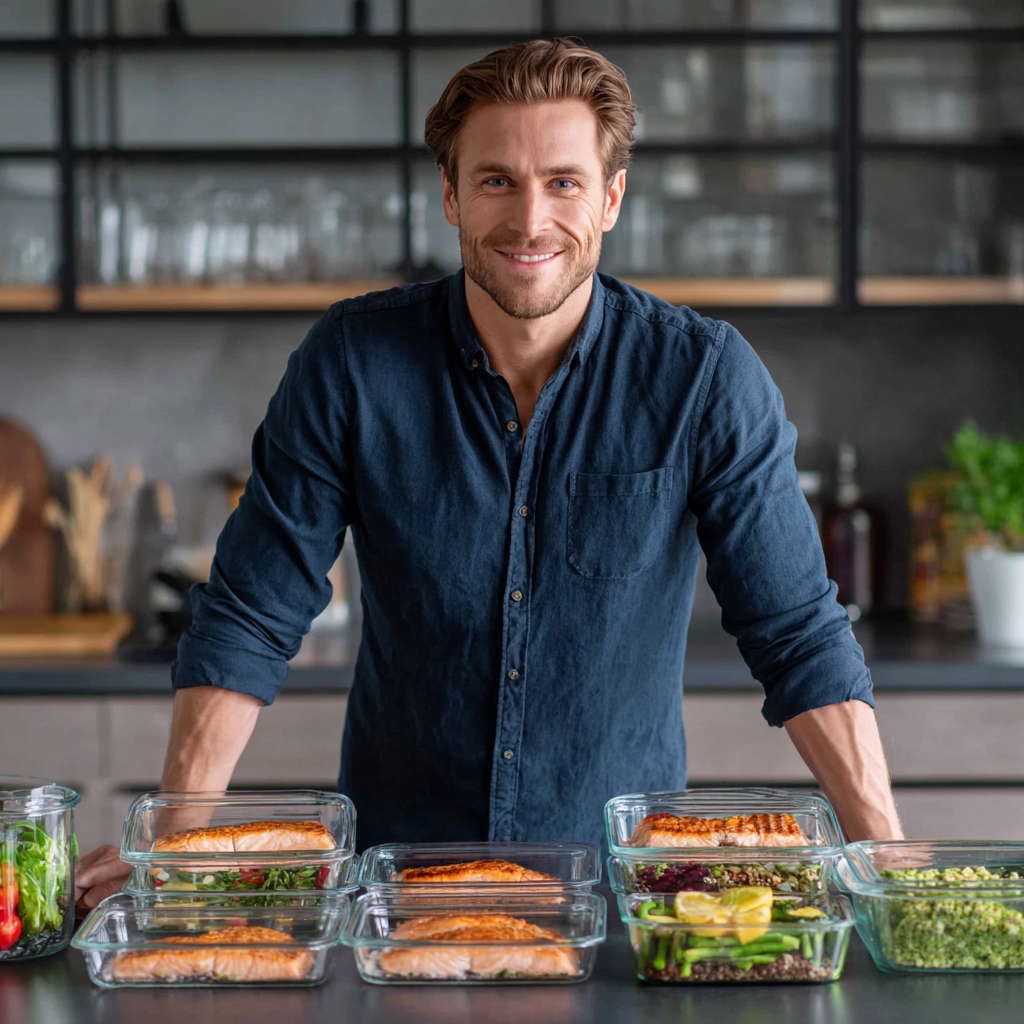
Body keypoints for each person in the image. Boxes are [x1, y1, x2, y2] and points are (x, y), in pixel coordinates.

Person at [77, 39, 902, 909]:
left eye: (564, 181)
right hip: (398, 893)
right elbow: (250, 610)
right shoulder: (352, 364)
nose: (531, 219)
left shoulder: (703, 378)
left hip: (620, 898)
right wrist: (173, 840)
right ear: (451, 195)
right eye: (497, 181)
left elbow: (798, 632)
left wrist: (884, 852)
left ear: (612, 196)